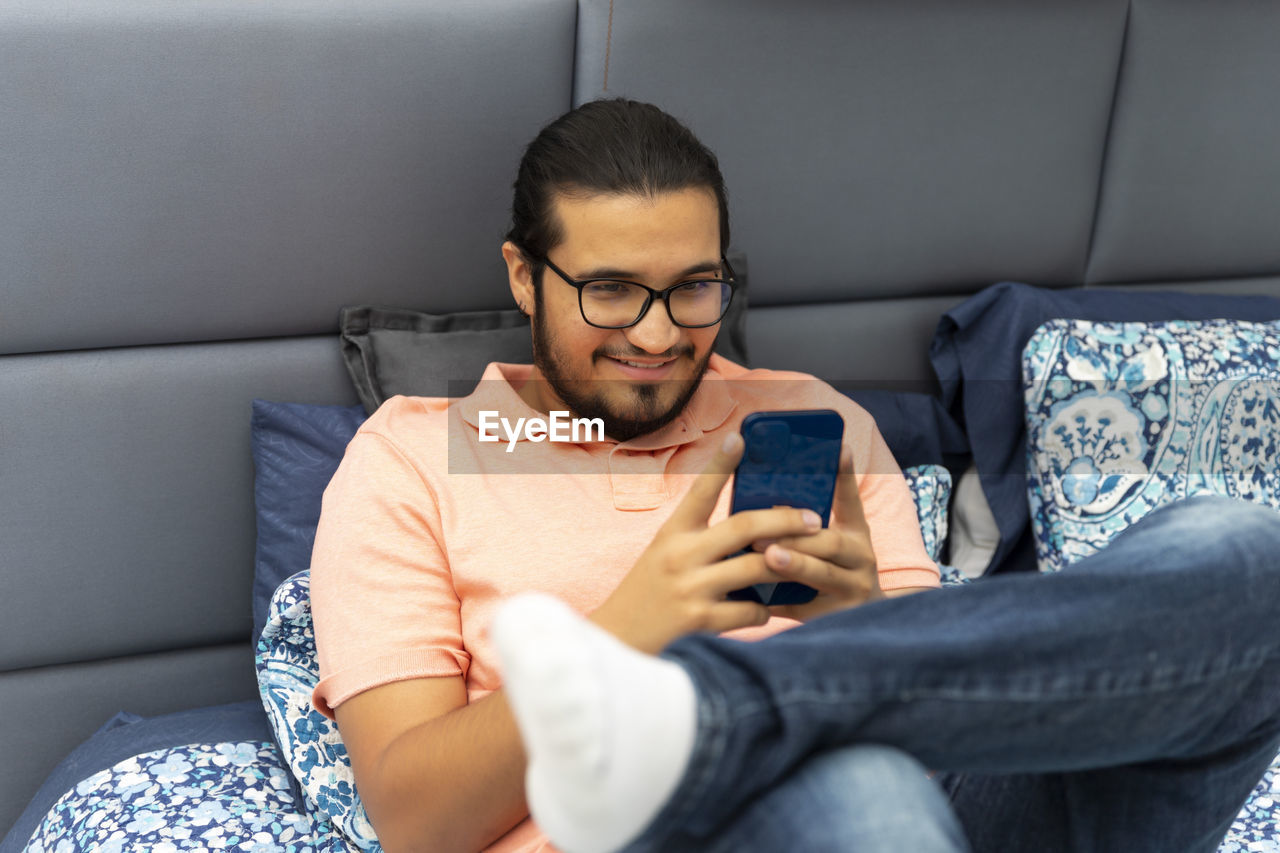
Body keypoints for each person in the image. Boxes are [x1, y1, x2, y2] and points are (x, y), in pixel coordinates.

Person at [309, 97, 1280, 852]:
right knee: (852, 784)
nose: (656, 334)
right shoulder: (416, 455)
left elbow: (947, 729)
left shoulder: (808, 418)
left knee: (1243, 552)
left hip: (943, 816)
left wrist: (858, 623)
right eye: (609, 291)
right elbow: (412, 822)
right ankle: (676, 720)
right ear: (524, 276)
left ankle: (717, 709)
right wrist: (634, 626)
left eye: (692, 288)